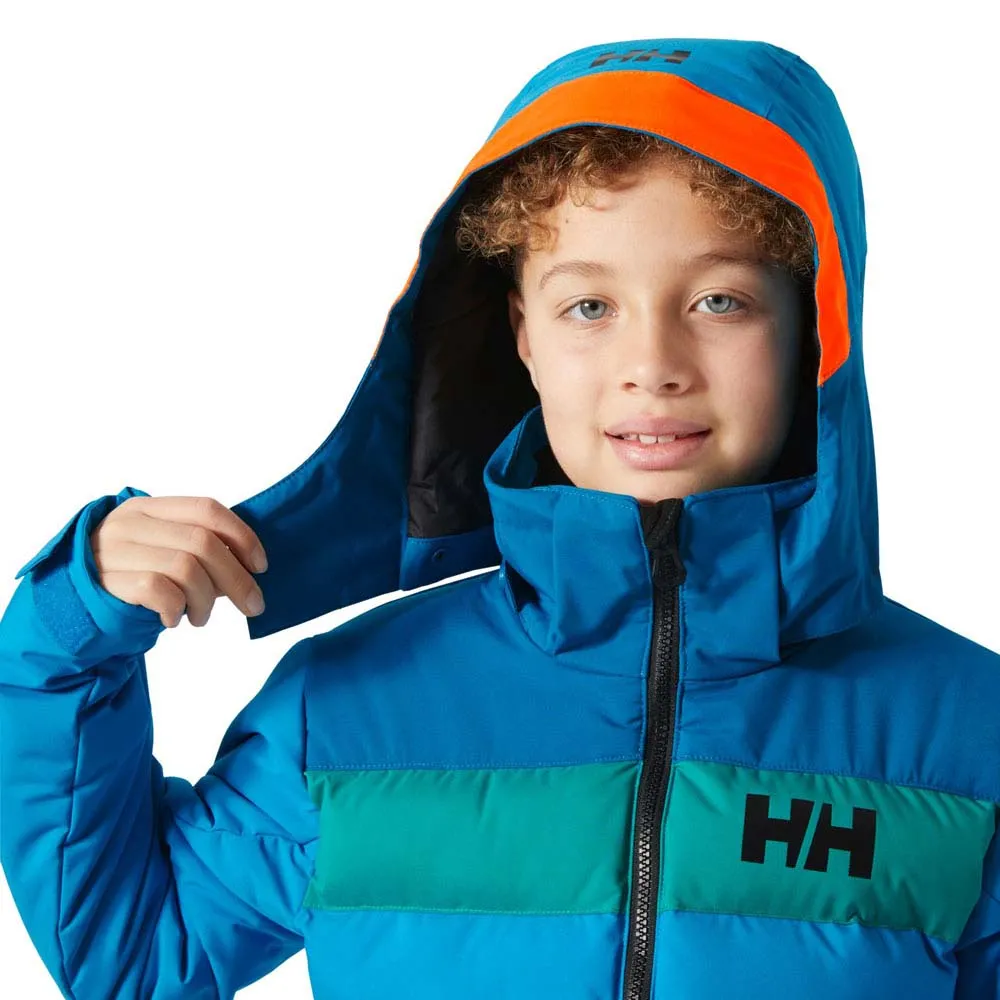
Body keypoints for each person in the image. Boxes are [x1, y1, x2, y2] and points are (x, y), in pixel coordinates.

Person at [1, 34, 998, 1000]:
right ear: (521, 335)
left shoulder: (967, 730)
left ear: (815, 327)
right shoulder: (349, 714)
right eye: (589, 307)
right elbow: (136, 959)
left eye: (720, 301)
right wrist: (65, 638)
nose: (652, 364)